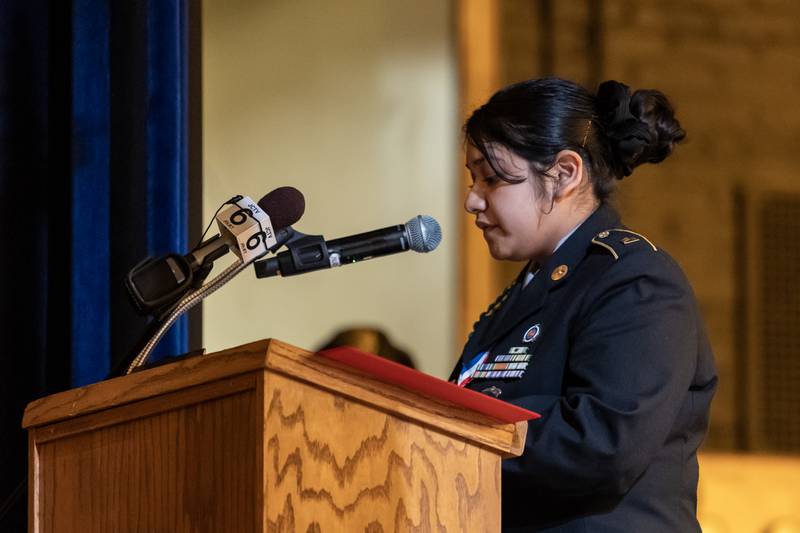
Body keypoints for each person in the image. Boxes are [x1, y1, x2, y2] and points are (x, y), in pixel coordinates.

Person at [450, 78, 717, 532]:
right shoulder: (527, 291)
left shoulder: (636, 280)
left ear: (564, 174)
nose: (472, 199)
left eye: (492, 178)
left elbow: (601, 443)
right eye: (473, 179)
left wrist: (452, 441)